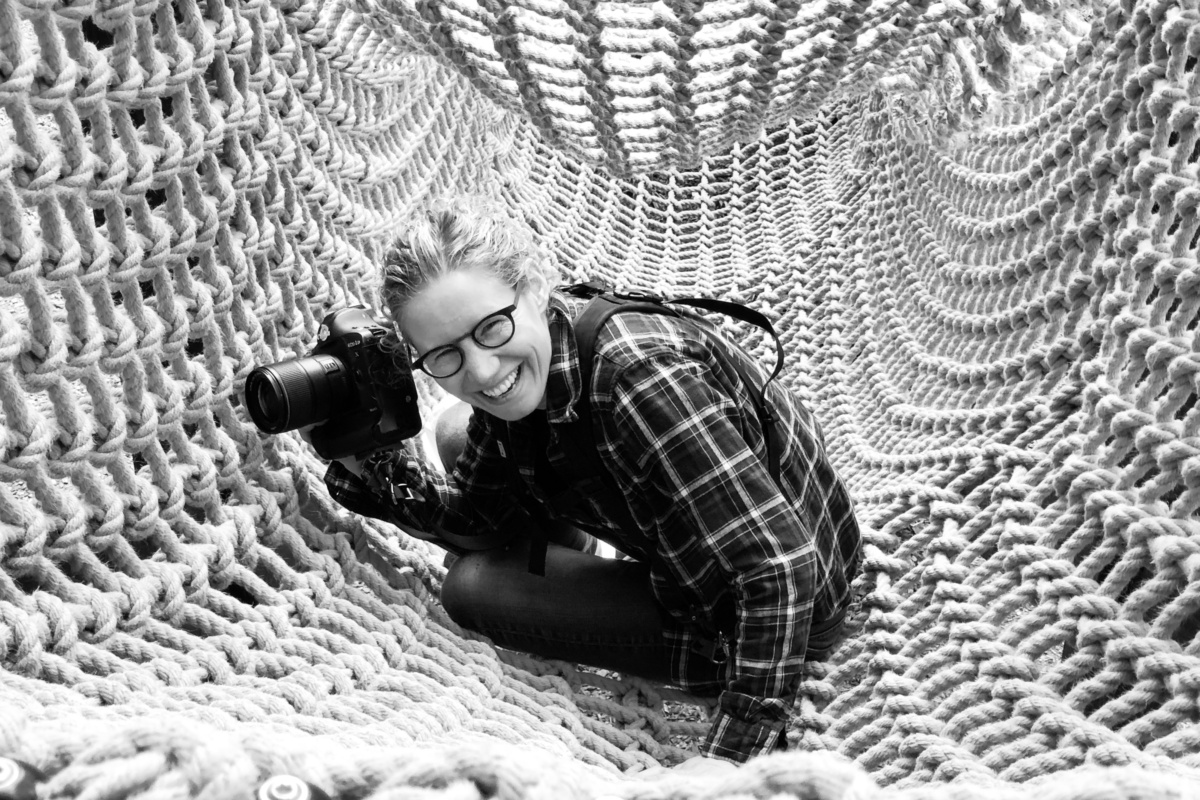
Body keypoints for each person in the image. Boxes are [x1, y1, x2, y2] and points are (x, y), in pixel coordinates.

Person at [321, 195, 862, 765]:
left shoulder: (637, 379)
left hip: (785, 611)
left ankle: (584, 574)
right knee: (460, 428)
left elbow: (778, 568)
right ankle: (575, 560)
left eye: (490, 329)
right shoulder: (552, 336)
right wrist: (369, 463)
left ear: (533, 288)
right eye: (445, 356)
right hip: (713, 534)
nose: (480, 369)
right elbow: (480, 515)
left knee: (472, 587)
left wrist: (725, 770)